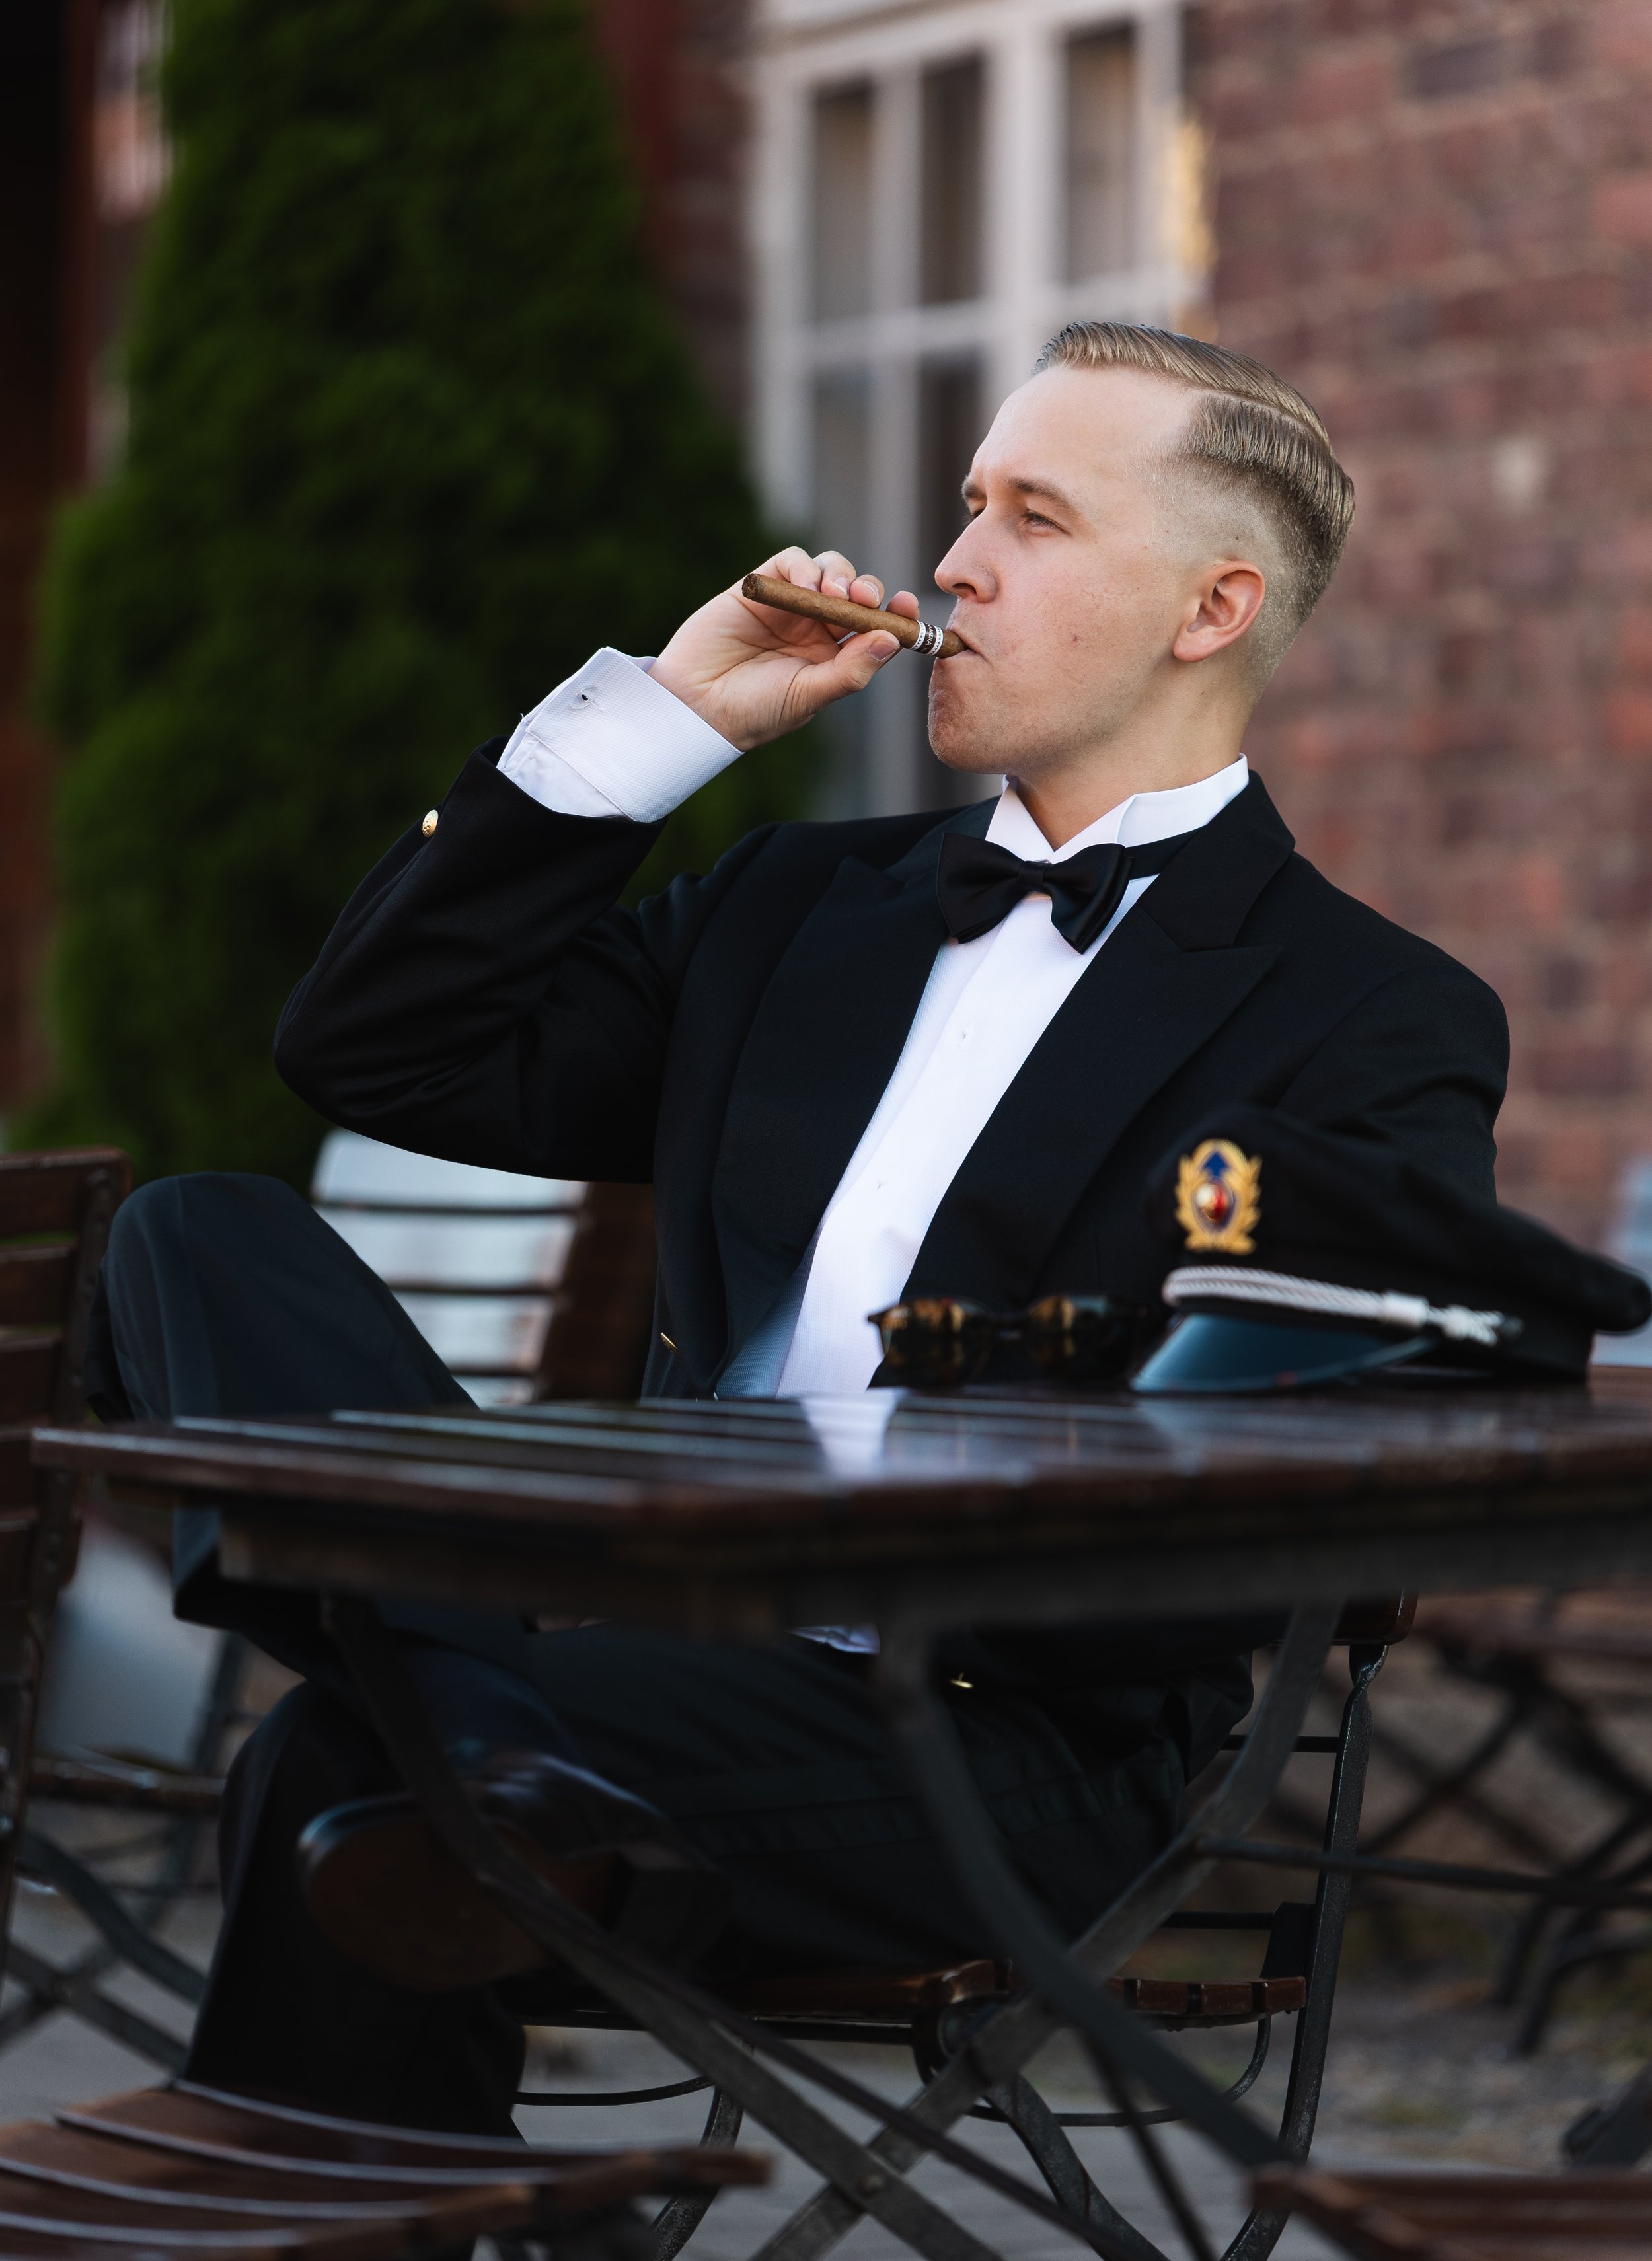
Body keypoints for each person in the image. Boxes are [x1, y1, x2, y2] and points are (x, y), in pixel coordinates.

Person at [92, 323, 1509, 2131]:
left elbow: (1319, 1457)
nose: (955, 565)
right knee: (200, 1230)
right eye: (964, 508)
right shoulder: (795, 908)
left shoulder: (1368, 1017)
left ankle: (467, 1740)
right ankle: (491, 1729)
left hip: (991, 1735)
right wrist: (662, 719)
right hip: (631, 1651)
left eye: (1035, 520)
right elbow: (376, 1046)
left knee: (335, 1760)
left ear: (1209, 608)